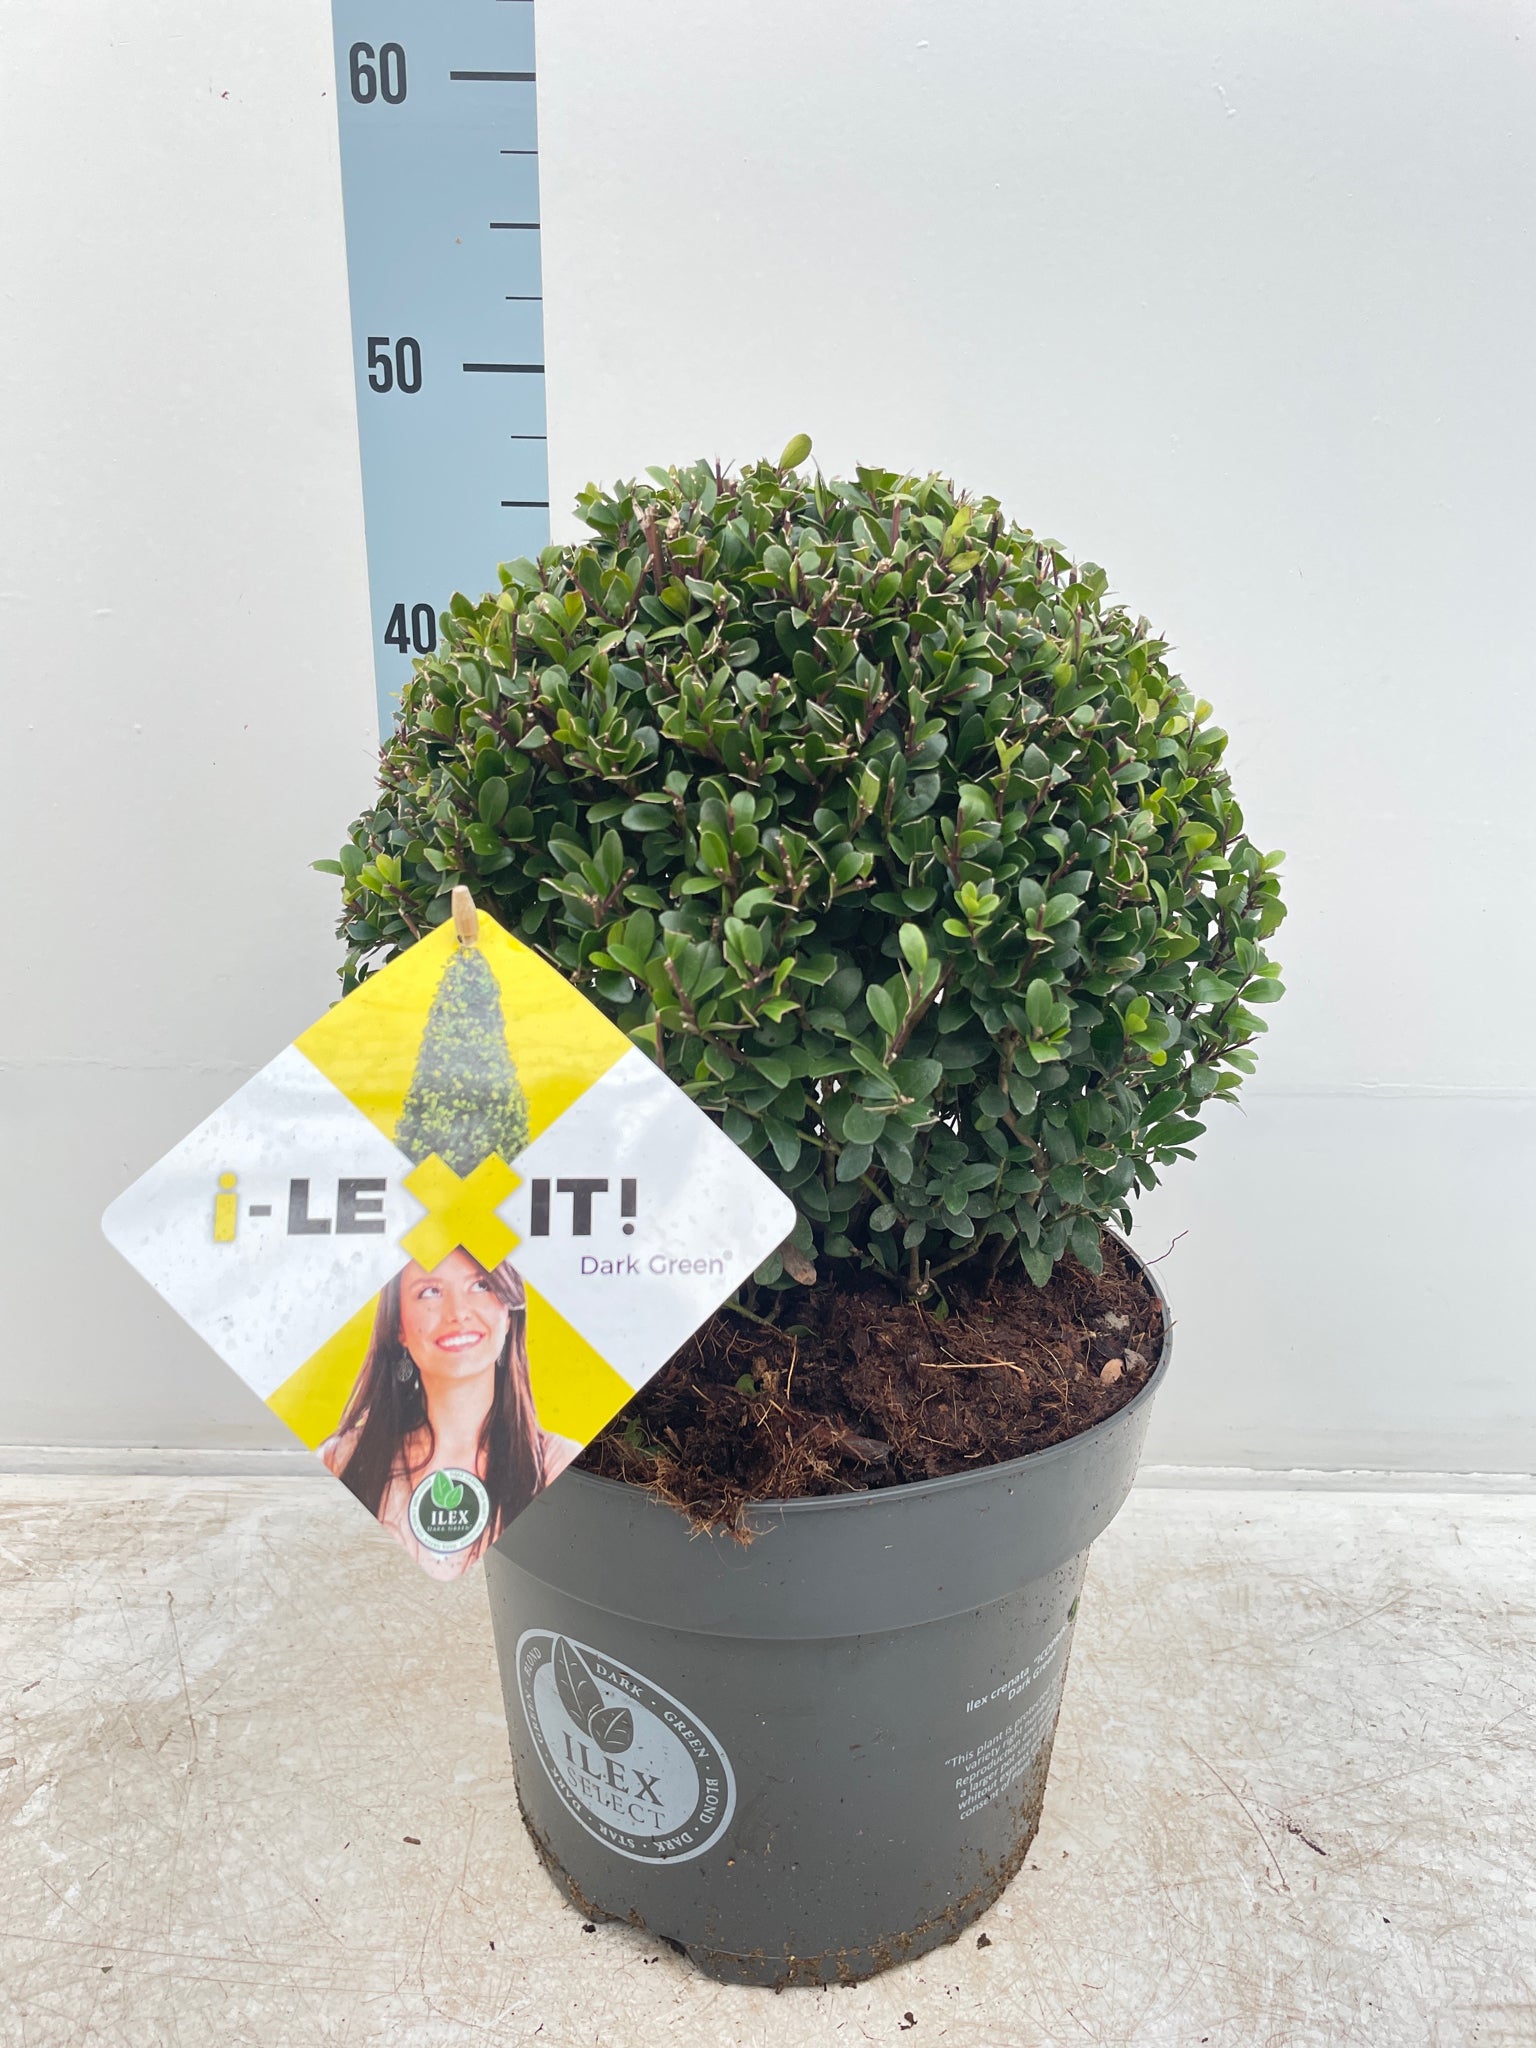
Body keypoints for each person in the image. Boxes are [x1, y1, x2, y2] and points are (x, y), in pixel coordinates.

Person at [321, 1248, 577, 1579]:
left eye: (481, 1285)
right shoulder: (343, 1459)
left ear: (509, 1313)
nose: (457, 1313)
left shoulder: (556, 1467)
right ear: (398, 1325)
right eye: (430, 1291)